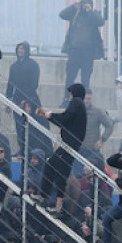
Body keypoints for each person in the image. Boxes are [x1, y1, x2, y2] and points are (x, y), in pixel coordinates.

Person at [37, 83, 88, 214]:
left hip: (69, 145)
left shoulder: (76, 102)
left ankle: (55, 204)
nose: (69, 95)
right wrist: (47, 116)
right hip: (70, 144)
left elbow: (64, 118)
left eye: (70, 92)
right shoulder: (79, 105)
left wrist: (49, 115)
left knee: (59, 171)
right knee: (53, 167)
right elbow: (66, 120)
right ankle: (44, 197)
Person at [60, 0, 105, 90]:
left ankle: (84, 100)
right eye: (83, 4)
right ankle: (66, 99)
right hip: (74, 51)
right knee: (70, 78)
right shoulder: (74, 14)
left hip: (88, 52)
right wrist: (73, 6)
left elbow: (101, 22)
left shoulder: (93, 14)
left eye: (86, 4)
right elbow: (62, 15)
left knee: (85, 79)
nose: (84, 6)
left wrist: (90, 11)